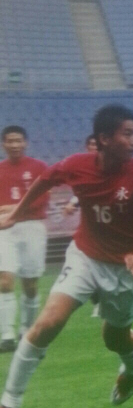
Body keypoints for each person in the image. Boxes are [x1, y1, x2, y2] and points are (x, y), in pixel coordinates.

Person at [0, 104, 133, 408]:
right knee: (48, 322)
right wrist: (17, 213)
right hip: (85, 258)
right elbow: (47, 179)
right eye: (127, 134)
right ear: (104, 139)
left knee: (114, 338)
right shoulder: (78, 166)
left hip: (125, 270)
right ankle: (8, 405)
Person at [0, 126, 49, 353]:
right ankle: (7, 334)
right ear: (4, 144)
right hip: (5, 229)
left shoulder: (38, 168)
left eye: (18, 140)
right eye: (10, 141)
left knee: (30, 284)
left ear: (26, 142)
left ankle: (27, 329)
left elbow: (41, 201)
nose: (14, 145)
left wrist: (10, 208)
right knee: (5, 281)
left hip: (32, 228)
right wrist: (16, 209)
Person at [62, 134, 100, 317]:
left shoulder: (111, 167)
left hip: (110, 230)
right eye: (91, 144)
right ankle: (98, 301)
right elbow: (82, 190)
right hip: (90, 229)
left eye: (97, 144)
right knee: (85, 265)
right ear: (87, 147)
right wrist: (72, 203)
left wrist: (73, 203)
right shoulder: (84, 169)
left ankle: (102, 301)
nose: (95, 147)